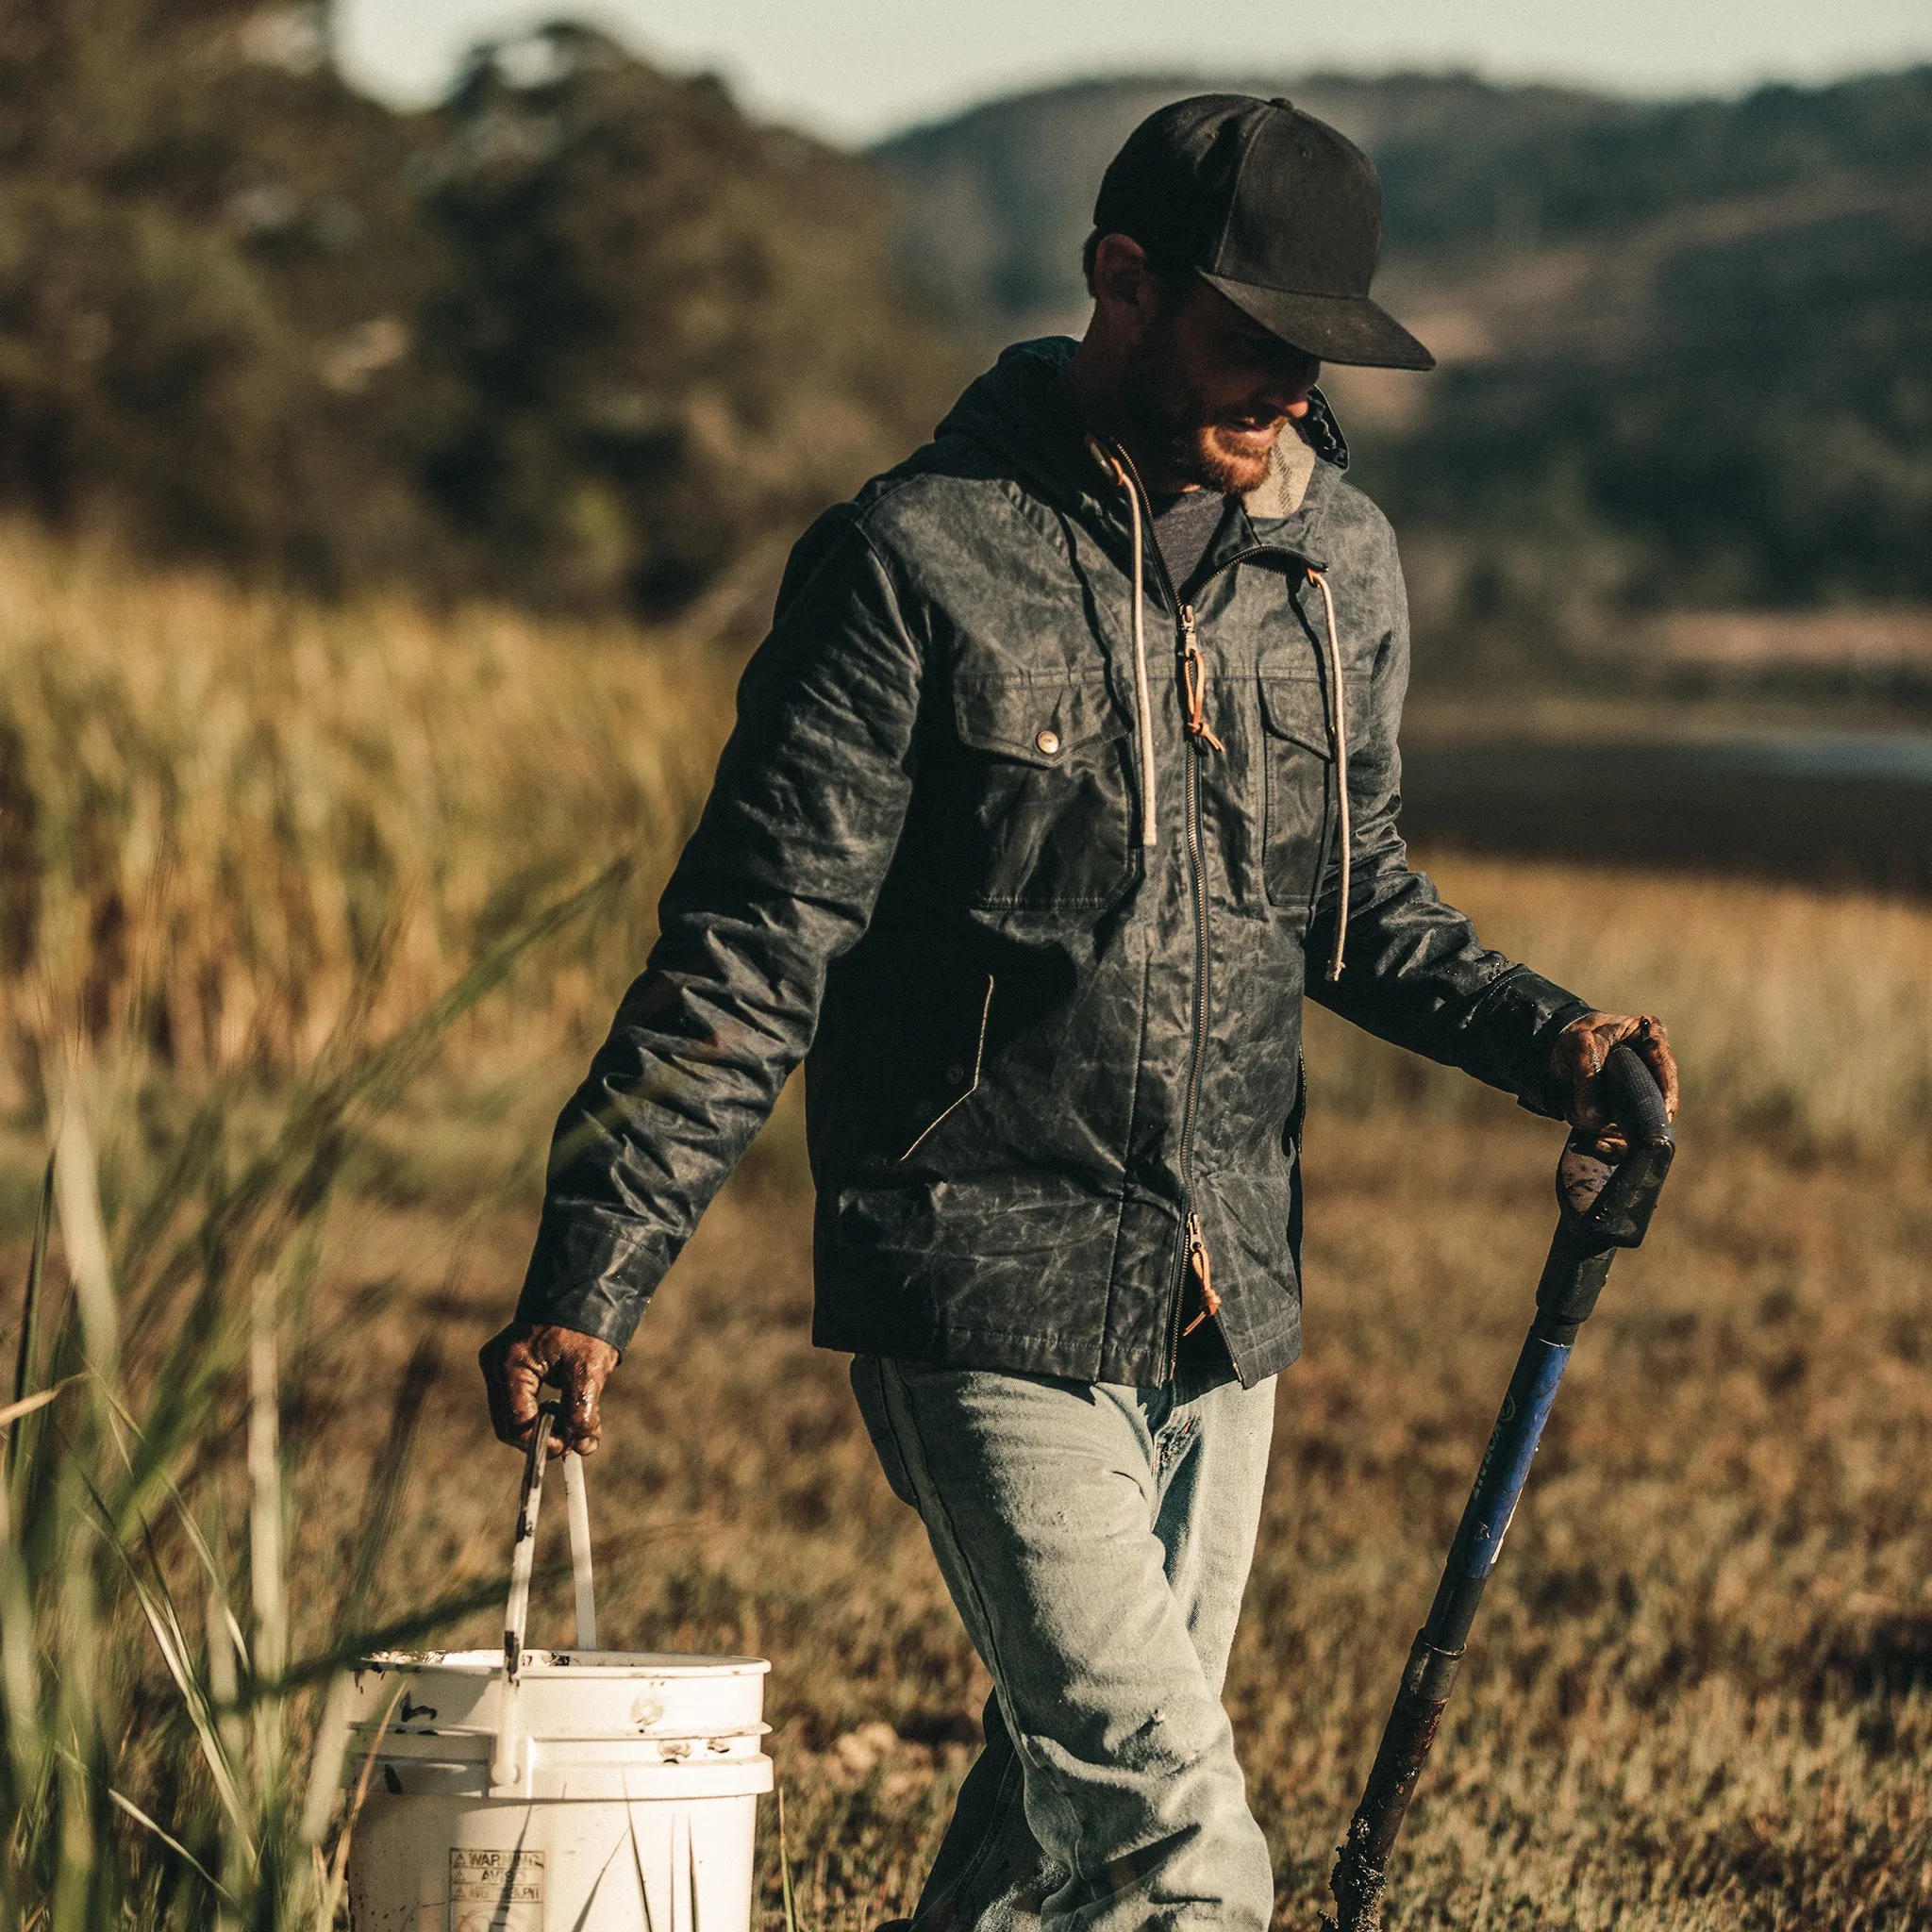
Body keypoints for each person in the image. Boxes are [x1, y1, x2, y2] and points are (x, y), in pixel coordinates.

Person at [480, 95, 1678, 1930]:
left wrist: (1552, 1039)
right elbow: (751, 942)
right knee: (1181, 1862)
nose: (1282, 396)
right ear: (1120, 282)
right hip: (980, 1271)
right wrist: (594, 1260)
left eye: (1314, 358)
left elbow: (1350, 901)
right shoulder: (914, 565)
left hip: (1225, 1299)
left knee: (1051, 1834)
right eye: (1246, 342)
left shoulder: (1333, 564)